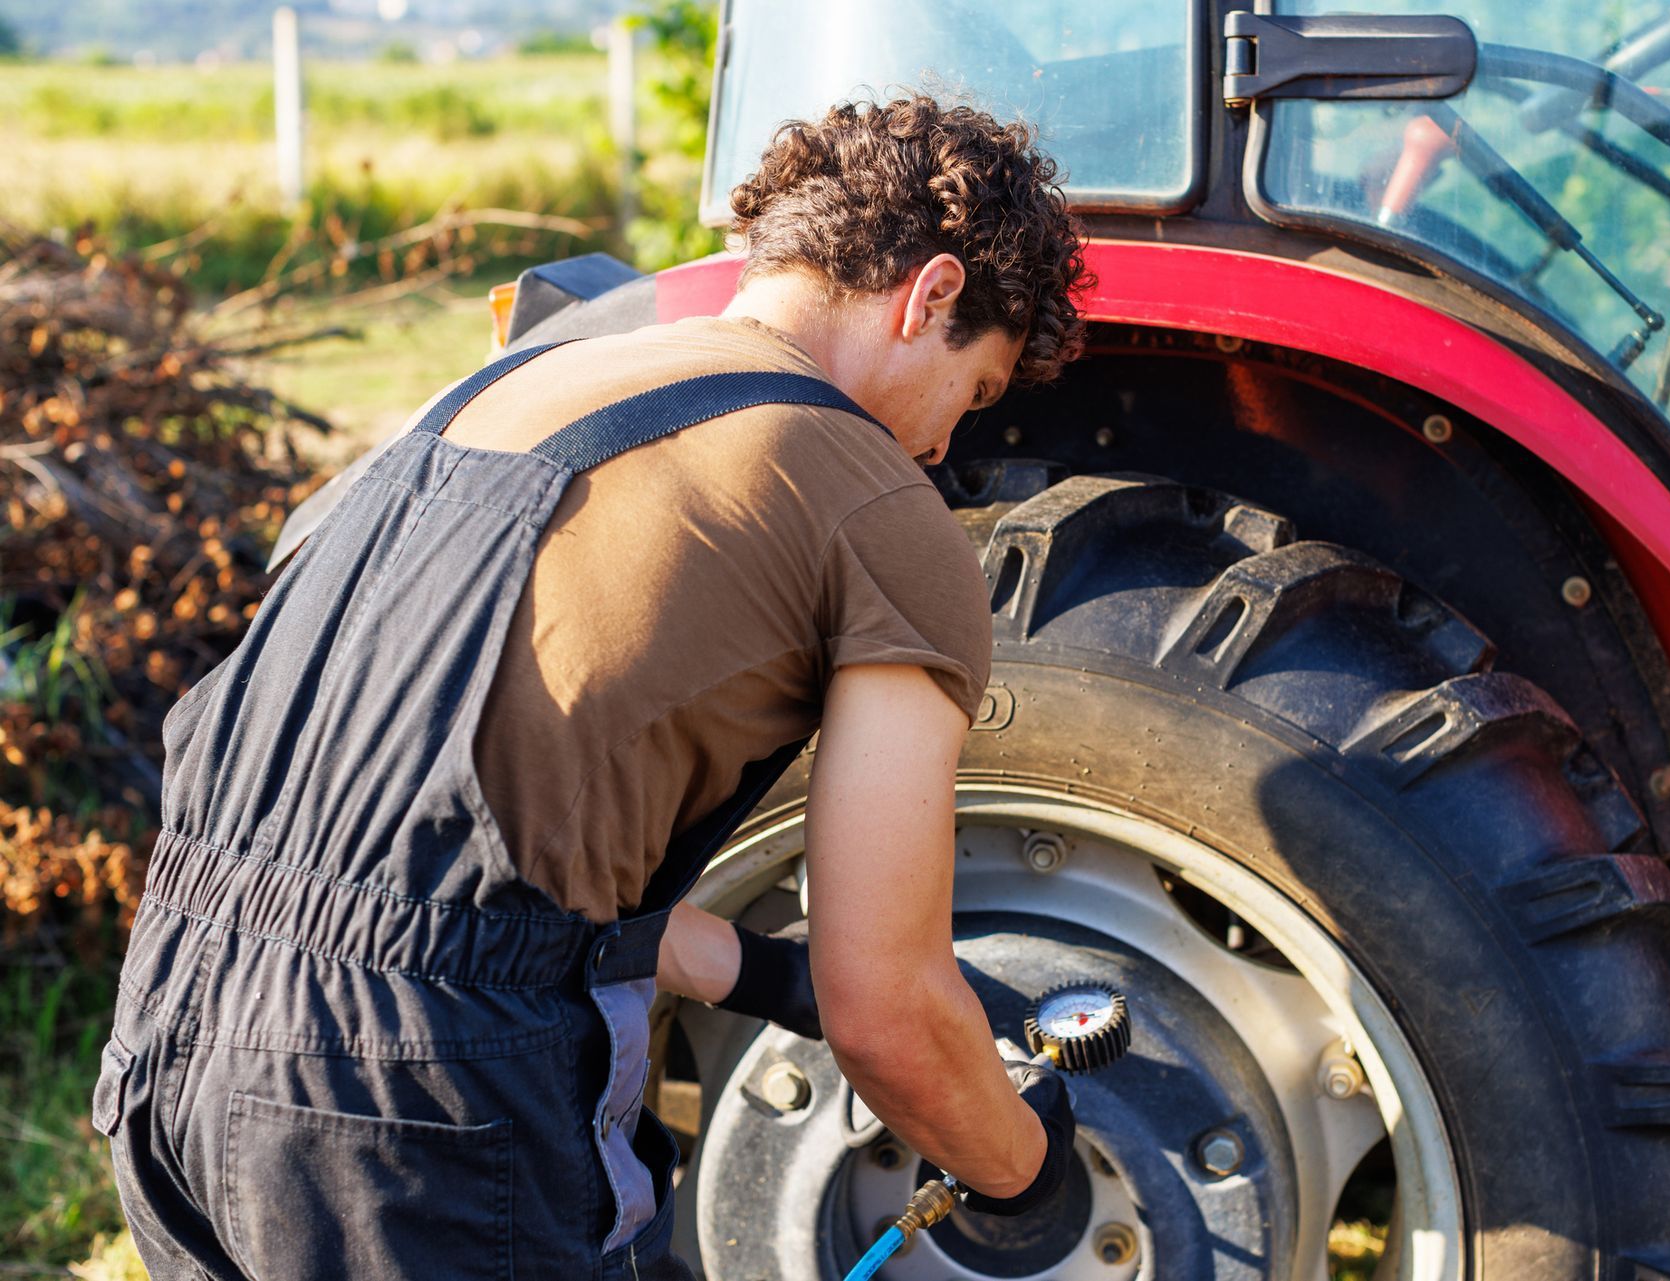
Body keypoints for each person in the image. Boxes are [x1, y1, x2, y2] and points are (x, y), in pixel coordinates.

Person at [92, 94, 1092, 1280]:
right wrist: (1023, 1170)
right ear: (929, 296)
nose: (938, 446)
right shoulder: (873, 500)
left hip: (168, 1036)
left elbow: (430, 879)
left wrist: (776, 975)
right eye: (971, 392)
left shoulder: (502, 391)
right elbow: (887, 1009)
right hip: (417, 1119)